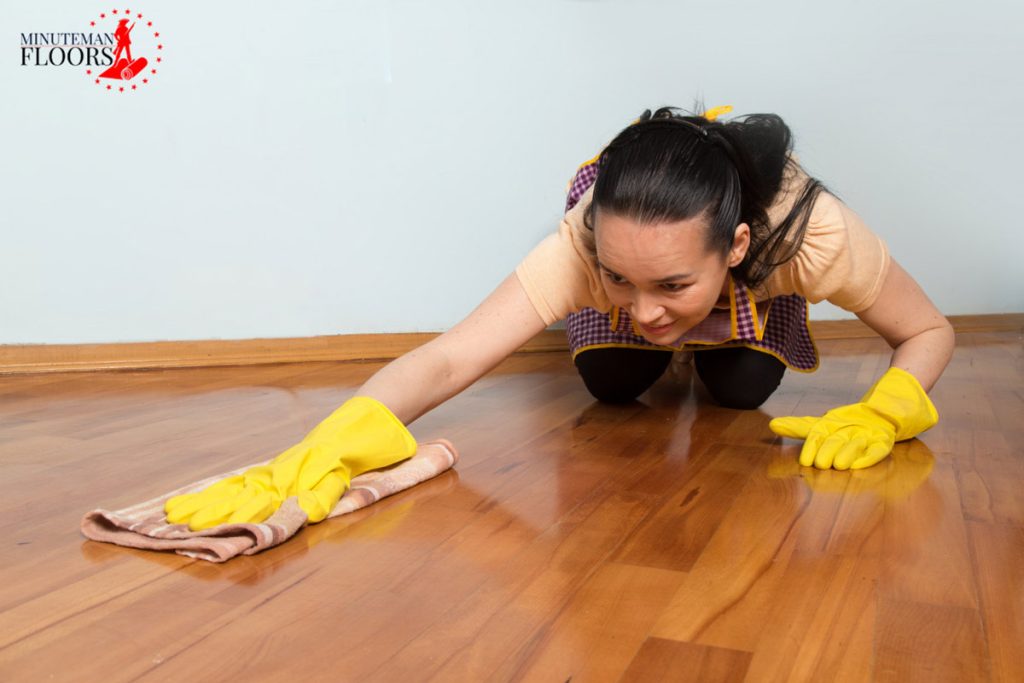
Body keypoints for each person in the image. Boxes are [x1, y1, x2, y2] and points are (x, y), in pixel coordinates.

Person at [166, 105, 955, 531]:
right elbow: (448, 359)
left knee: (744, 390)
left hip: (746, 307)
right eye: (619, 276)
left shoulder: (808, 231)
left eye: (672, 282)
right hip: (648, 278)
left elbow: (928, 330)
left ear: (738, 243)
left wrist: (891, 410)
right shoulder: (581, 244)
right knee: (614, 378)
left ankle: (712, 338)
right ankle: (664, 319)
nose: (643, 310)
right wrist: (325, 441)